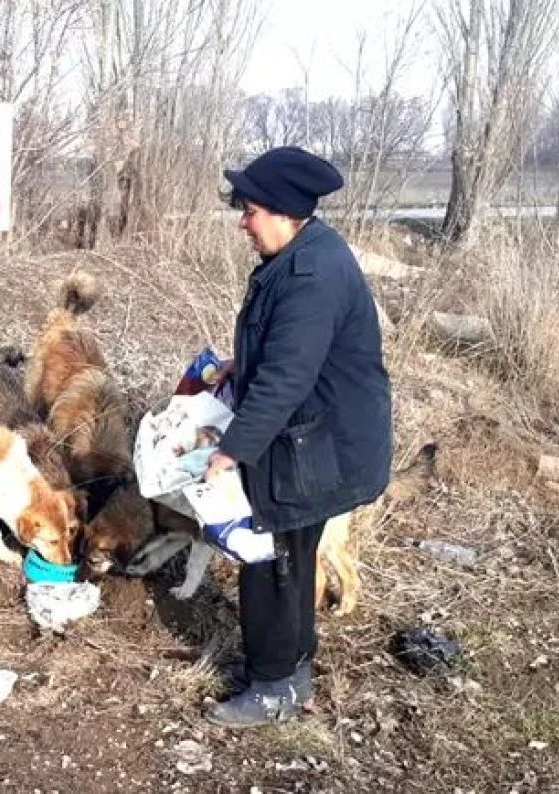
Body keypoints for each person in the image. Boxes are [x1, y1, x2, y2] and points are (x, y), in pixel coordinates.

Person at [201, 146, 392, 728]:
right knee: (294, 556)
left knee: (271, 558)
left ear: (283, 212)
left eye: (250, 209)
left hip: (317, 449)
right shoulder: (308, 254)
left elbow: (286, 380)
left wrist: (231, 450)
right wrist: (243, 362)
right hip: (320, 441)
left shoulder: (312, 276)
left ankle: (272, 686)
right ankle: (296, 665)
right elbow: (289, 353)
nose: (242, 221)